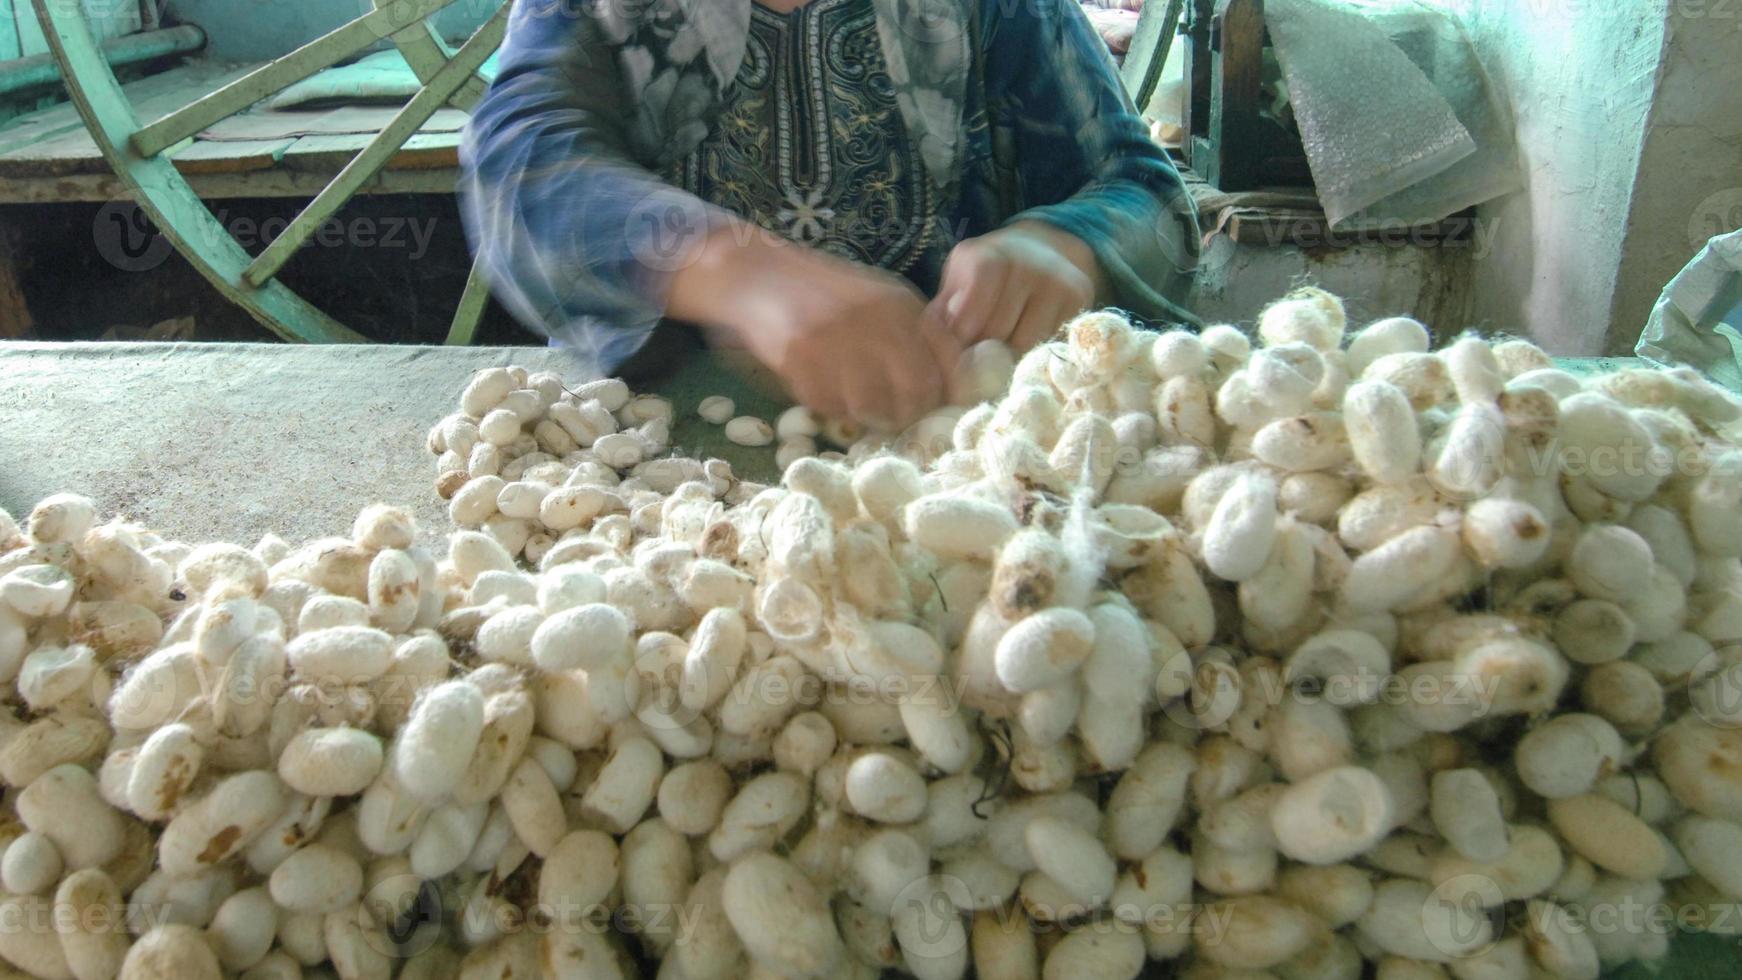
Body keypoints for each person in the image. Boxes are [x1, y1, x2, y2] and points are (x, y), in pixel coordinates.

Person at [460, 0, 1196, 429]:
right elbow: (517, 169)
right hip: (670, 457)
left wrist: (1068, 246)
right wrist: (727, 268)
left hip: (963, 452)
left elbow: (1141, 188)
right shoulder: (587, 13)